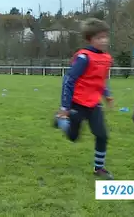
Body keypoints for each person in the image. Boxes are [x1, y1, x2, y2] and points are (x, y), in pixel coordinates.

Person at [53, 18, 115, 179]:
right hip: (77, 103)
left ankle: (99, 168)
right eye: (99, 38)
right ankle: (61, 120)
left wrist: (106, 94)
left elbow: (100, 79)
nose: (104, 40)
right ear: (90, 39)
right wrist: (65, 107)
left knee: (102, 135)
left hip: (93, 104)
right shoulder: (84, 57)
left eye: (105, 37)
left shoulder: (107, 58)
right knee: (73, 137)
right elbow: (69, 80)